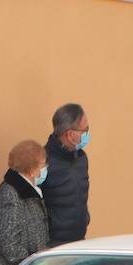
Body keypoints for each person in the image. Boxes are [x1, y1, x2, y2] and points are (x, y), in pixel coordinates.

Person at [0, 139, 49, 265]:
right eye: (43, 164)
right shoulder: (11, 195)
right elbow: (8, 245)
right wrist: (34, 261)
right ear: (32, 169)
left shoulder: (27, 191)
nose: (46, 168)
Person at [42, 103, 91, 247]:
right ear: (70, 134)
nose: (87, 134)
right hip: (53, 244)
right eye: (85, 130)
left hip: (79, 239)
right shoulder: (43, 161)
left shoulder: (82, 158)